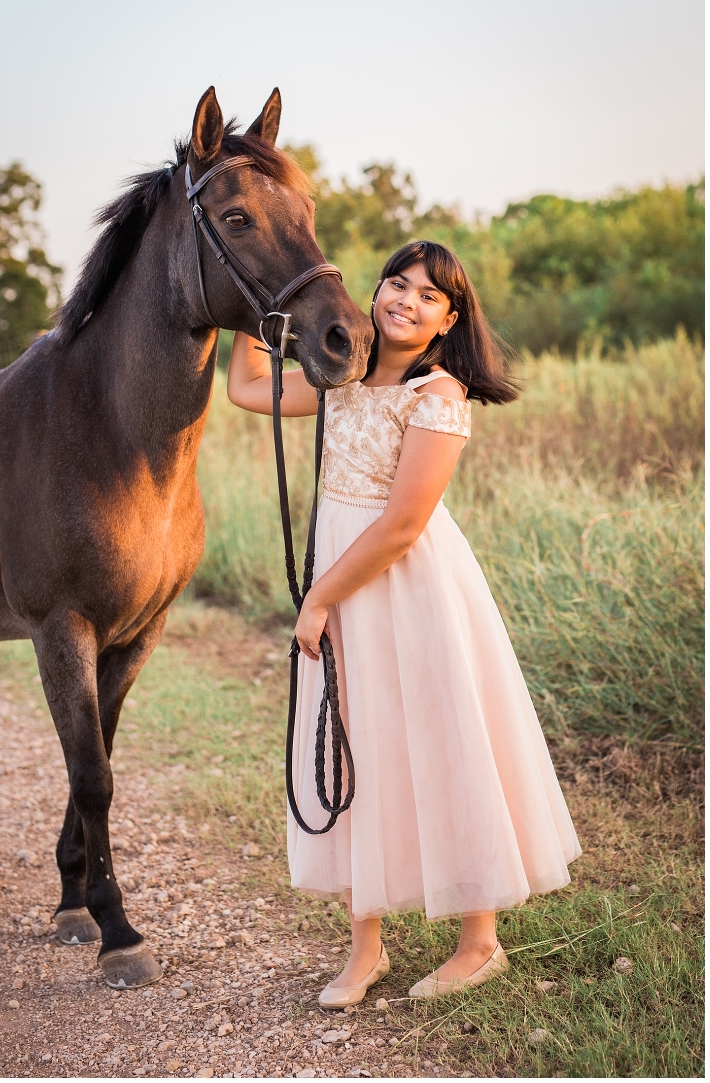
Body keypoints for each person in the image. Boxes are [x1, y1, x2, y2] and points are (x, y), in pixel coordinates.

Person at [227, 240, 580, 1006]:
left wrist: (318, 599)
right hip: (343, 579)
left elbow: (400, 525)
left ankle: (480, 942)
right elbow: (248, 391)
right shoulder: (339, 374)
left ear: (449, 319)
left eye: (428, 296)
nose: (406, 301)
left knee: (438, 734)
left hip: (407, 585)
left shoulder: (437, 396)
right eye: (397, 283)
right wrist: (259, 309)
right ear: (376, 290)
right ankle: (366, 949)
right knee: (356, 740)